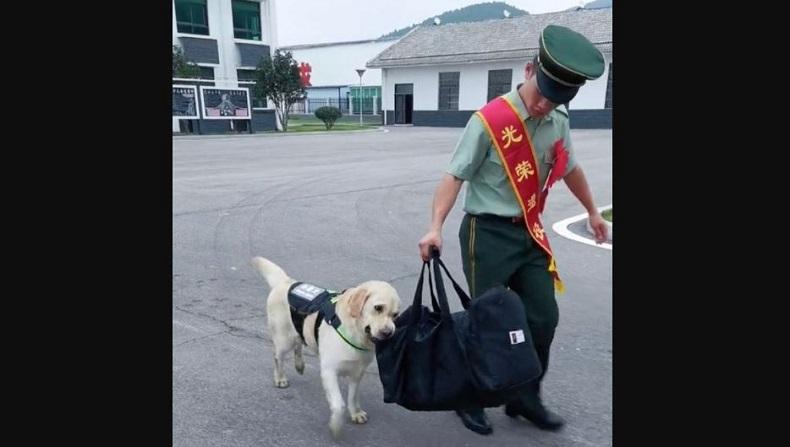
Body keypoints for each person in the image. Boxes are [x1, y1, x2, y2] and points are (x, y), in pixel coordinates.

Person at [417, 24, 609, 435]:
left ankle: (525, 398)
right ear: (528, 70)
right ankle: (468, 397)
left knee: (543, 318)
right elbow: (454, 176)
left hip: (528, 232)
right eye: (542, 93)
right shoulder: (489, 121)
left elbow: (570, 167)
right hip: (485, 233)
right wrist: (434, 227)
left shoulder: (558, 118)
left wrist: (593, 211)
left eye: (555, 99)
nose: (543, 105)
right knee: (485, 320)